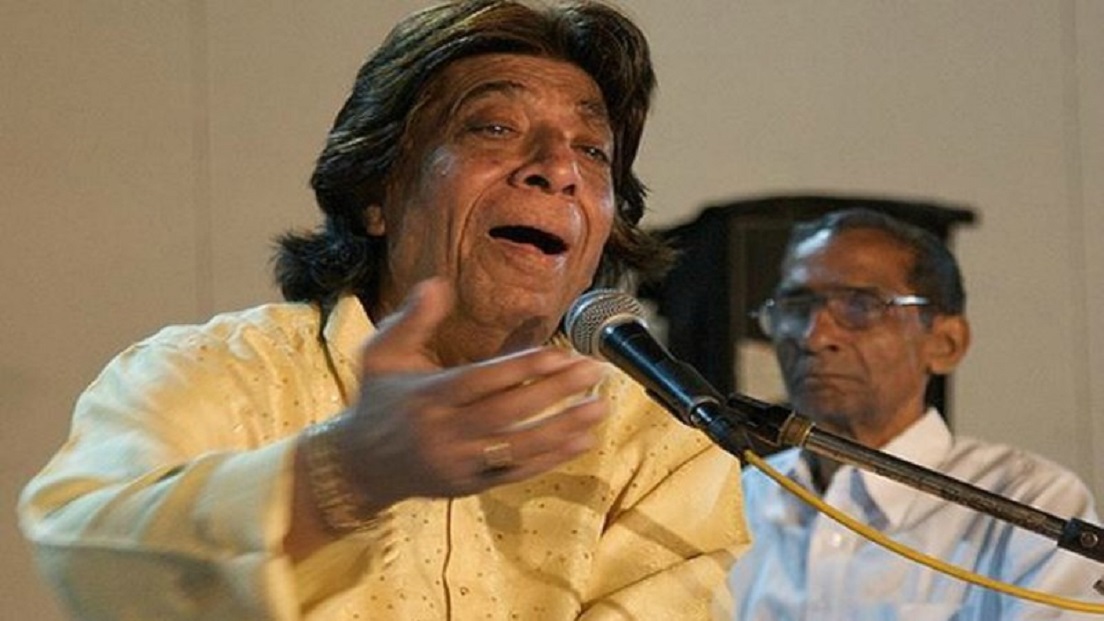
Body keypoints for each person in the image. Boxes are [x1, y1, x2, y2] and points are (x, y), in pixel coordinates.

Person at [18, 1, 750, 618]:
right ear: (377, 193)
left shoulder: (656, 447)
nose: (557, 168)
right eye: (494, 127)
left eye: (592, 151)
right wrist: (344, 473)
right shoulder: (216, 373)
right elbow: (84, 556)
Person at [727, 208, 1102, 620]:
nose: (815, 336)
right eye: (796, 306)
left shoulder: (1028, 502)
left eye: (860, 305)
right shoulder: (740, 501)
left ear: (945, 343)